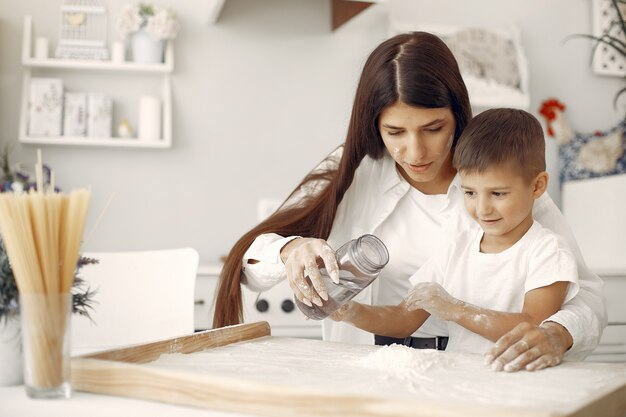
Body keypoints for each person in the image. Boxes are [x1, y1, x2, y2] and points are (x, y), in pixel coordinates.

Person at [212, 32, 606, 372]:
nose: (415, 151)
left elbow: (585, 297)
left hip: (472, 372)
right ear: (373, 125)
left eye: (434, 129)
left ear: (457, 114)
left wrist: (557, 333)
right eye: (395, 131)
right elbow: (249, 267)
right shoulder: (350, 171)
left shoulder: (503, 183)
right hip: (363, 369)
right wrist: (291, 249)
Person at [330, 108, 580, 370]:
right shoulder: (457, 248)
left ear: (538, 186)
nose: (482, 209)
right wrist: (352, 311)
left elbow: (533, 326)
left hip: (521, 385)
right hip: (460, 382)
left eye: (497, 193)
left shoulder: (548, 251)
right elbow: (404, 318)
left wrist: (456, 309)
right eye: (470, 192)